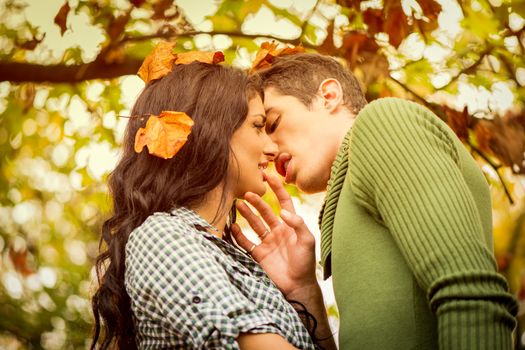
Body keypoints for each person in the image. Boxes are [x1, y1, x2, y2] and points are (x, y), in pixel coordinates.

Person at [232, 52, 518, 349]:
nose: (266, 147)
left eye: (274, 123)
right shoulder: (348, 190)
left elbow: (471, 293)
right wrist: (304, 292)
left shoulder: (382, 123)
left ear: (328, 96)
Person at [90, 44, 332, 349]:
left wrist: (302, 290)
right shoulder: (162, 237)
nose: (272, 149)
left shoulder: (228, 258)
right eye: (258, 126)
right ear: (211, 131)